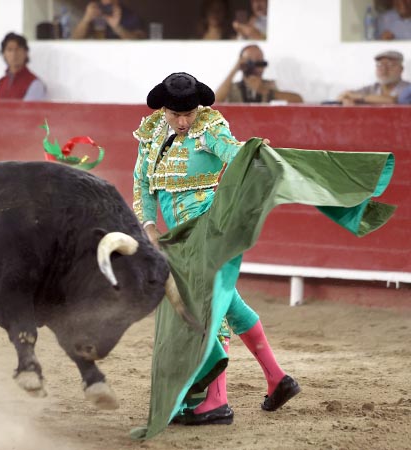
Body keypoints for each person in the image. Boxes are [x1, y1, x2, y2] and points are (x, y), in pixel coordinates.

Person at [132, 72, 300, 425]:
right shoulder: (150, 135)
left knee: (209, 307)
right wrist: (148, 226)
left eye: (189, 114)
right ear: (162, 109)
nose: (182, 121)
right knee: (229, 304)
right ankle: (276, 378)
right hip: (179, 241)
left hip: (208, 231)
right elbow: (142, 185)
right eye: (175, 114)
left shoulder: (208, 127)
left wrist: (254, 152)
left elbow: (233, 152)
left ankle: (217, 401)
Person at [215, 44, 303, 103]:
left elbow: (298, 100)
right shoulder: (232, 88)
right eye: (250, 62)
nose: (256, 67)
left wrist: (266, 91)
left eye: (260, 63)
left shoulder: (271, 84)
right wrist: (234, 70)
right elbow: (214, 103)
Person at [337, 50, 410, 105]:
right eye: (380, 65)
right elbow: (343, 95)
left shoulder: (407, 88)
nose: (384, 69)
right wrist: (346, 100)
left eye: (390, 65)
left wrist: (359, 97)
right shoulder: (373, 87)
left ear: (401, 69)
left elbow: (392, 100)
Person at [0, 32, 46, 101]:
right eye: (10, 49)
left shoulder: (35, 84)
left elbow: (27, 110)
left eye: (18, 49)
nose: (14, 54)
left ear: (25, 53)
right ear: (4, 54)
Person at [71, 0, 146, 40]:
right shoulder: (95, 12)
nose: (109, 2)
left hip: (123, 59)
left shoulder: (130, 15)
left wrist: (117, 27)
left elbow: (140, 42)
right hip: (98, 58)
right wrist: (86, 19)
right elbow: (75, 38)